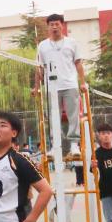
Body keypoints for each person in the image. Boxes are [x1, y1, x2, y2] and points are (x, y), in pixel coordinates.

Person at [33, 14, 87, 156]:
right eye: (52, 24)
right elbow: (39, 68)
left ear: (62, 25)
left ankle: (74, 145)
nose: (54, 27)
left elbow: (78, 63)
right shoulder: (43, 46)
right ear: (48, 27)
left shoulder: (72, 43)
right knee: (53, 117)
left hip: (70, 84)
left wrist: (83, 83)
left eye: (57, 24)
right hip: (51, 87)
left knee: (73, 116)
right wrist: (36, 87)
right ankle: (55, 145)